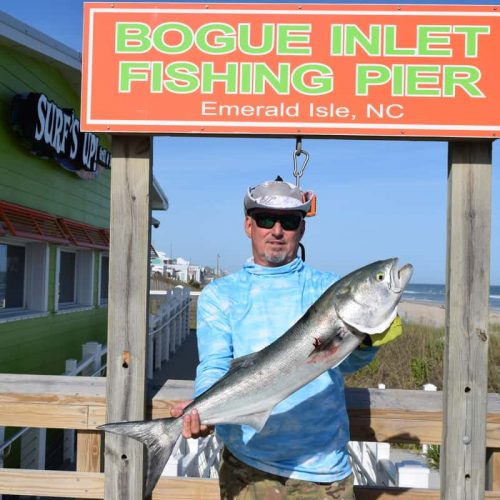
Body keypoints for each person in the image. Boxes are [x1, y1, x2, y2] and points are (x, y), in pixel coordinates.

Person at [171, 178, 403, 499]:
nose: (277, 231)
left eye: (290, 221)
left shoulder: (328, 289)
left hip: (324, 469)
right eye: (266, 219)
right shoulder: (220, 295)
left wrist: (368, 339)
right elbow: (214, 364)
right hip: (246, 464)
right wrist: (202, 410)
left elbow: (348, 365)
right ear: (248, 225)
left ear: (302, 229)